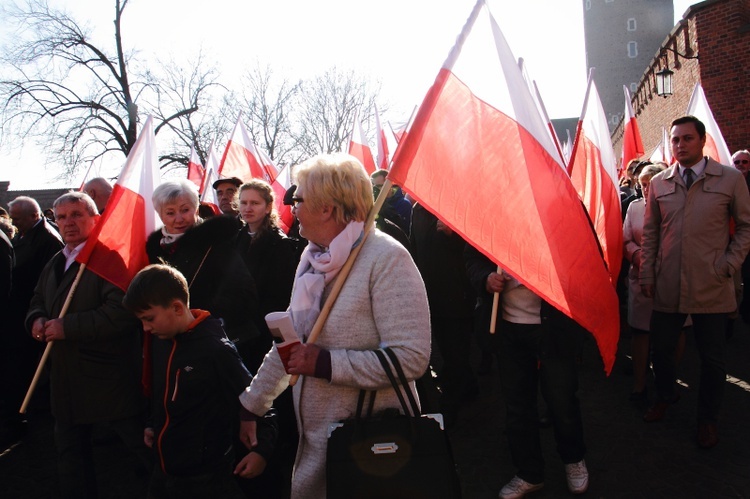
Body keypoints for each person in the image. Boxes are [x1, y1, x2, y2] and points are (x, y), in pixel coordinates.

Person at [238, 153, 431, 498]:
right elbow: (291, 345)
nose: (292, 207)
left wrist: (326, 363)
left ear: (326, 207)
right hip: (316, 446)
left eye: (298, 199)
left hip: (371, 447)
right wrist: (252, 403)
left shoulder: (387, 259)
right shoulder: (313, 258)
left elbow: (411, 358)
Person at [25, 192, 149, 499]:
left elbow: (121, 312)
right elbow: (38, 300)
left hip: (108, 378)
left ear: (94, 219)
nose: (68, 222)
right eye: (62, 216)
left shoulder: (109, 258)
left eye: (77, 214)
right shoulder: (57, 260)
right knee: (70, 454)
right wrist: (36, 320)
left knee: (140, 448)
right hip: (66, 378)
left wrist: (67, 327)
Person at [640, 116, 750, 449]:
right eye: (675, 140)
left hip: (712, 286)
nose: (680, 145)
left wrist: (727, 266)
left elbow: (746, 227)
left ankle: (707, 420)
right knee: (661, 350)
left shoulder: (729, 179)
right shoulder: (660, 183)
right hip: (669, 285)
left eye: (687, 138)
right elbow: (651, 233)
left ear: (701, 141)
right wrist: (648, 272)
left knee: (712, 361)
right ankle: (665, 395)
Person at [122, 264, 277, 499]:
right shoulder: (161, 339)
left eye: (149, 318)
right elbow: (162, 391)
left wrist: (262, 451)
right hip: (164, 471)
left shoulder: (215, 350)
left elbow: (257, 399)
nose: (145, 327)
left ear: (175, 307)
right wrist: (153, 423)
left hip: (206, 478)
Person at [465, 244, 589, 498]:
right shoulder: (495, 216)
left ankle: (574, 458)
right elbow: (472, 258)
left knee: (561, 400)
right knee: (518, 406)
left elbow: (583, 258)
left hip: (554, 325)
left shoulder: (561, 211)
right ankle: (529, 472)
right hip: (508, 327)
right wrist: (486, 278)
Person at [146, 179, 261, 365]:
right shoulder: (155, 249)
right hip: (171, 344)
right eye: (170, 212)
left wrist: (199, 317)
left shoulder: (216, 242)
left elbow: (242, 291)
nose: (179, 218)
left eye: (185, 210)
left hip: (215, 341)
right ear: (159, 214)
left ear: (196, 208)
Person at [235, 178, 301, 498]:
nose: (248, 209)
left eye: (255, 203)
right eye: (243, 203)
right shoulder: (232, 240)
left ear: (267, 207)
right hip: (237, 335)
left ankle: (275, 455)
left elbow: (280, 297)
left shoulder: (280, 243)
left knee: (275, 399)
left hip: (264, 333)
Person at [623, 163, 690, 401]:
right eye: (642, 185)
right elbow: (626, 239)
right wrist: (637, 255)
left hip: (673, 276)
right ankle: (639, 383)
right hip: (641, 277)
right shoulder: (634, 207)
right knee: (641, 332)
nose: (646, 189)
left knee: (675, 330)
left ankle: (668, 378)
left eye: (651, 184)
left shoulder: (678, 205)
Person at [1, 196, 63, 443]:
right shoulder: (26, 236)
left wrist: (39, 313)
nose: (13, 222)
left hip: (32, 314)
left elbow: (46, 280)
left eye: (17, 218)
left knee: (25, 366)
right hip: (23, 314)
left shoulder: (48, 240)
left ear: (33, 216)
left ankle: (26, 415)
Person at [410, 202, 477, 426]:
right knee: (445, 351)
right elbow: (414, 252)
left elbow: (476, 252)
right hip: (430, 297)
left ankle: (452, 408)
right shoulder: (417, 210)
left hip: (457, 296)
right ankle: (468, 388)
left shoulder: (454, 206)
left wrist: (454, 236)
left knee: (455, 352)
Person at [371, 169, 412, 235]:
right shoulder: (372, 205)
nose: (375, 190)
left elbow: (403, 232)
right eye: (373, 187)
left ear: (389, 185)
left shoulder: (404, 205)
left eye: (378, 186)